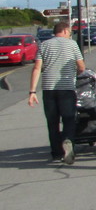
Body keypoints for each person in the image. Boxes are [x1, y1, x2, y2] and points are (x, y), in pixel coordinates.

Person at [28, 20, 86, 164]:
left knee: (52, 122)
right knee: (68, 119)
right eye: (70, 32)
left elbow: (37, 68)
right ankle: (67, 141)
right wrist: (76, 73)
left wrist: (32, 91)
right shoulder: (72, 45)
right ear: (65, 31)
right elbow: (81, 66)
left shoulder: (44, 45)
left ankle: (56, 153)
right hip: (66, 88)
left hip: (48, 89)